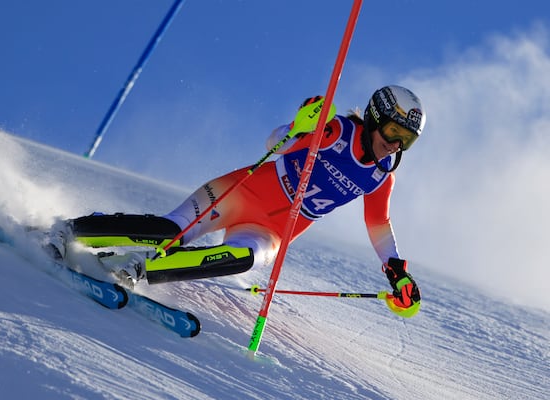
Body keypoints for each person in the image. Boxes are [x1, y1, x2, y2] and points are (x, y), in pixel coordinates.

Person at [50, 85, 425, 318]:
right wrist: (301, 129)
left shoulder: (380, 175)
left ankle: (139, 270)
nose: (394, 144)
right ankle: (72, 230)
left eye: (404, 140)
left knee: (240, 260)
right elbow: (274, 144)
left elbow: (378, 223)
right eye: (392, 131)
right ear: (376, 118)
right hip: (242, 194)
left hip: (273, 230)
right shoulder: (337, 131)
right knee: (169, 231)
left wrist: (396, 270)